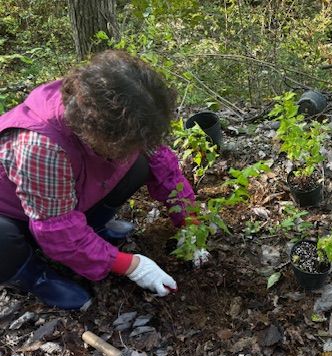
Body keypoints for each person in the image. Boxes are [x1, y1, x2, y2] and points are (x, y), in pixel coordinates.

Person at [0, 50, 195, 310]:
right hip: (13, 214)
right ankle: (35, 276)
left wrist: (189, 220)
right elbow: (57, 229)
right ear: (97, 134)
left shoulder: (110, 107)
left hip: (59, 198)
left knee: (138, 163)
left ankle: (91, 232)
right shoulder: (40, 146)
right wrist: (133, 266)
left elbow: (161, 161)